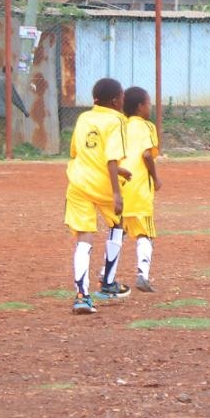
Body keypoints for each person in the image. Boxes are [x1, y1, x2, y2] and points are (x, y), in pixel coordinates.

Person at [65, 78, 130, 314]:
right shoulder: (117, 120)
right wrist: (116, 192)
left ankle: (82, 296)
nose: (124, 100)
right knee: (120, 224)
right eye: (122, 96)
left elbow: (79, 152)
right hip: (103, 186)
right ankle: (108, 282)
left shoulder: (83, 118)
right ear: (115, 101)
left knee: (84, 237)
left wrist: (118, 170)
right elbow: (111, 158)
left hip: (78, 183)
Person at [119, 86, 162, 292]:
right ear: (139, 107)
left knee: (119, 230)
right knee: (146, 233)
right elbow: (146, 155)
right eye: (148, 103)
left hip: (119, 185)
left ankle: (105, 273)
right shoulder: (147, 127)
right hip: (138, 188)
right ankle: (142, 275)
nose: (150, 107)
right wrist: (156, 177)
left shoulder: (120, 126)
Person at [0, 72, 26, 155]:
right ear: (10, 72)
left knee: (1, 131)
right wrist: (24, 110)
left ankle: (1, 151)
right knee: (2, 131)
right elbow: (15, 97)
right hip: (3, 111)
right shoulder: (7, 81)